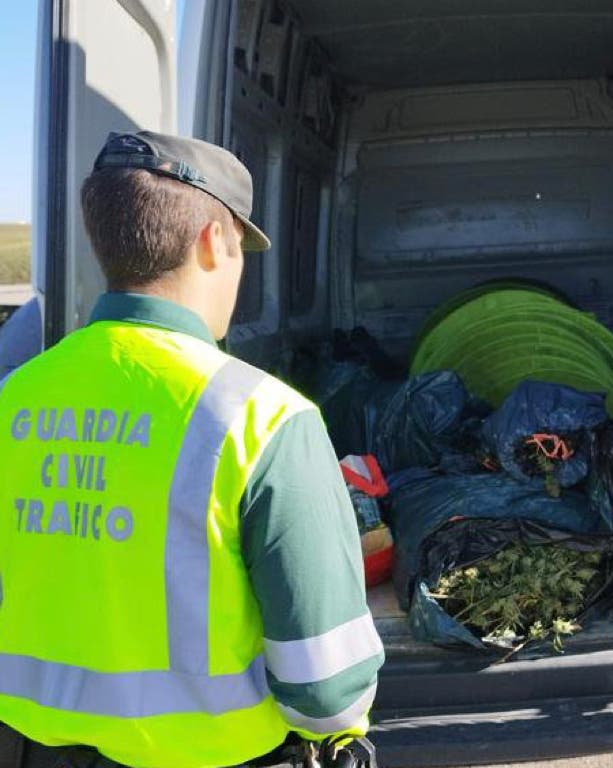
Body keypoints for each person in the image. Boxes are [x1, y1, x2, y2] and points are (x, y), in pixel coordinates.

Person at [0, 131, 384, 768]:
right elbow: (325, 687)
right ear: (214, 243)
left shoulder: (16, 396)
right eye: (240, 251)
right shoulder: (265, 417)